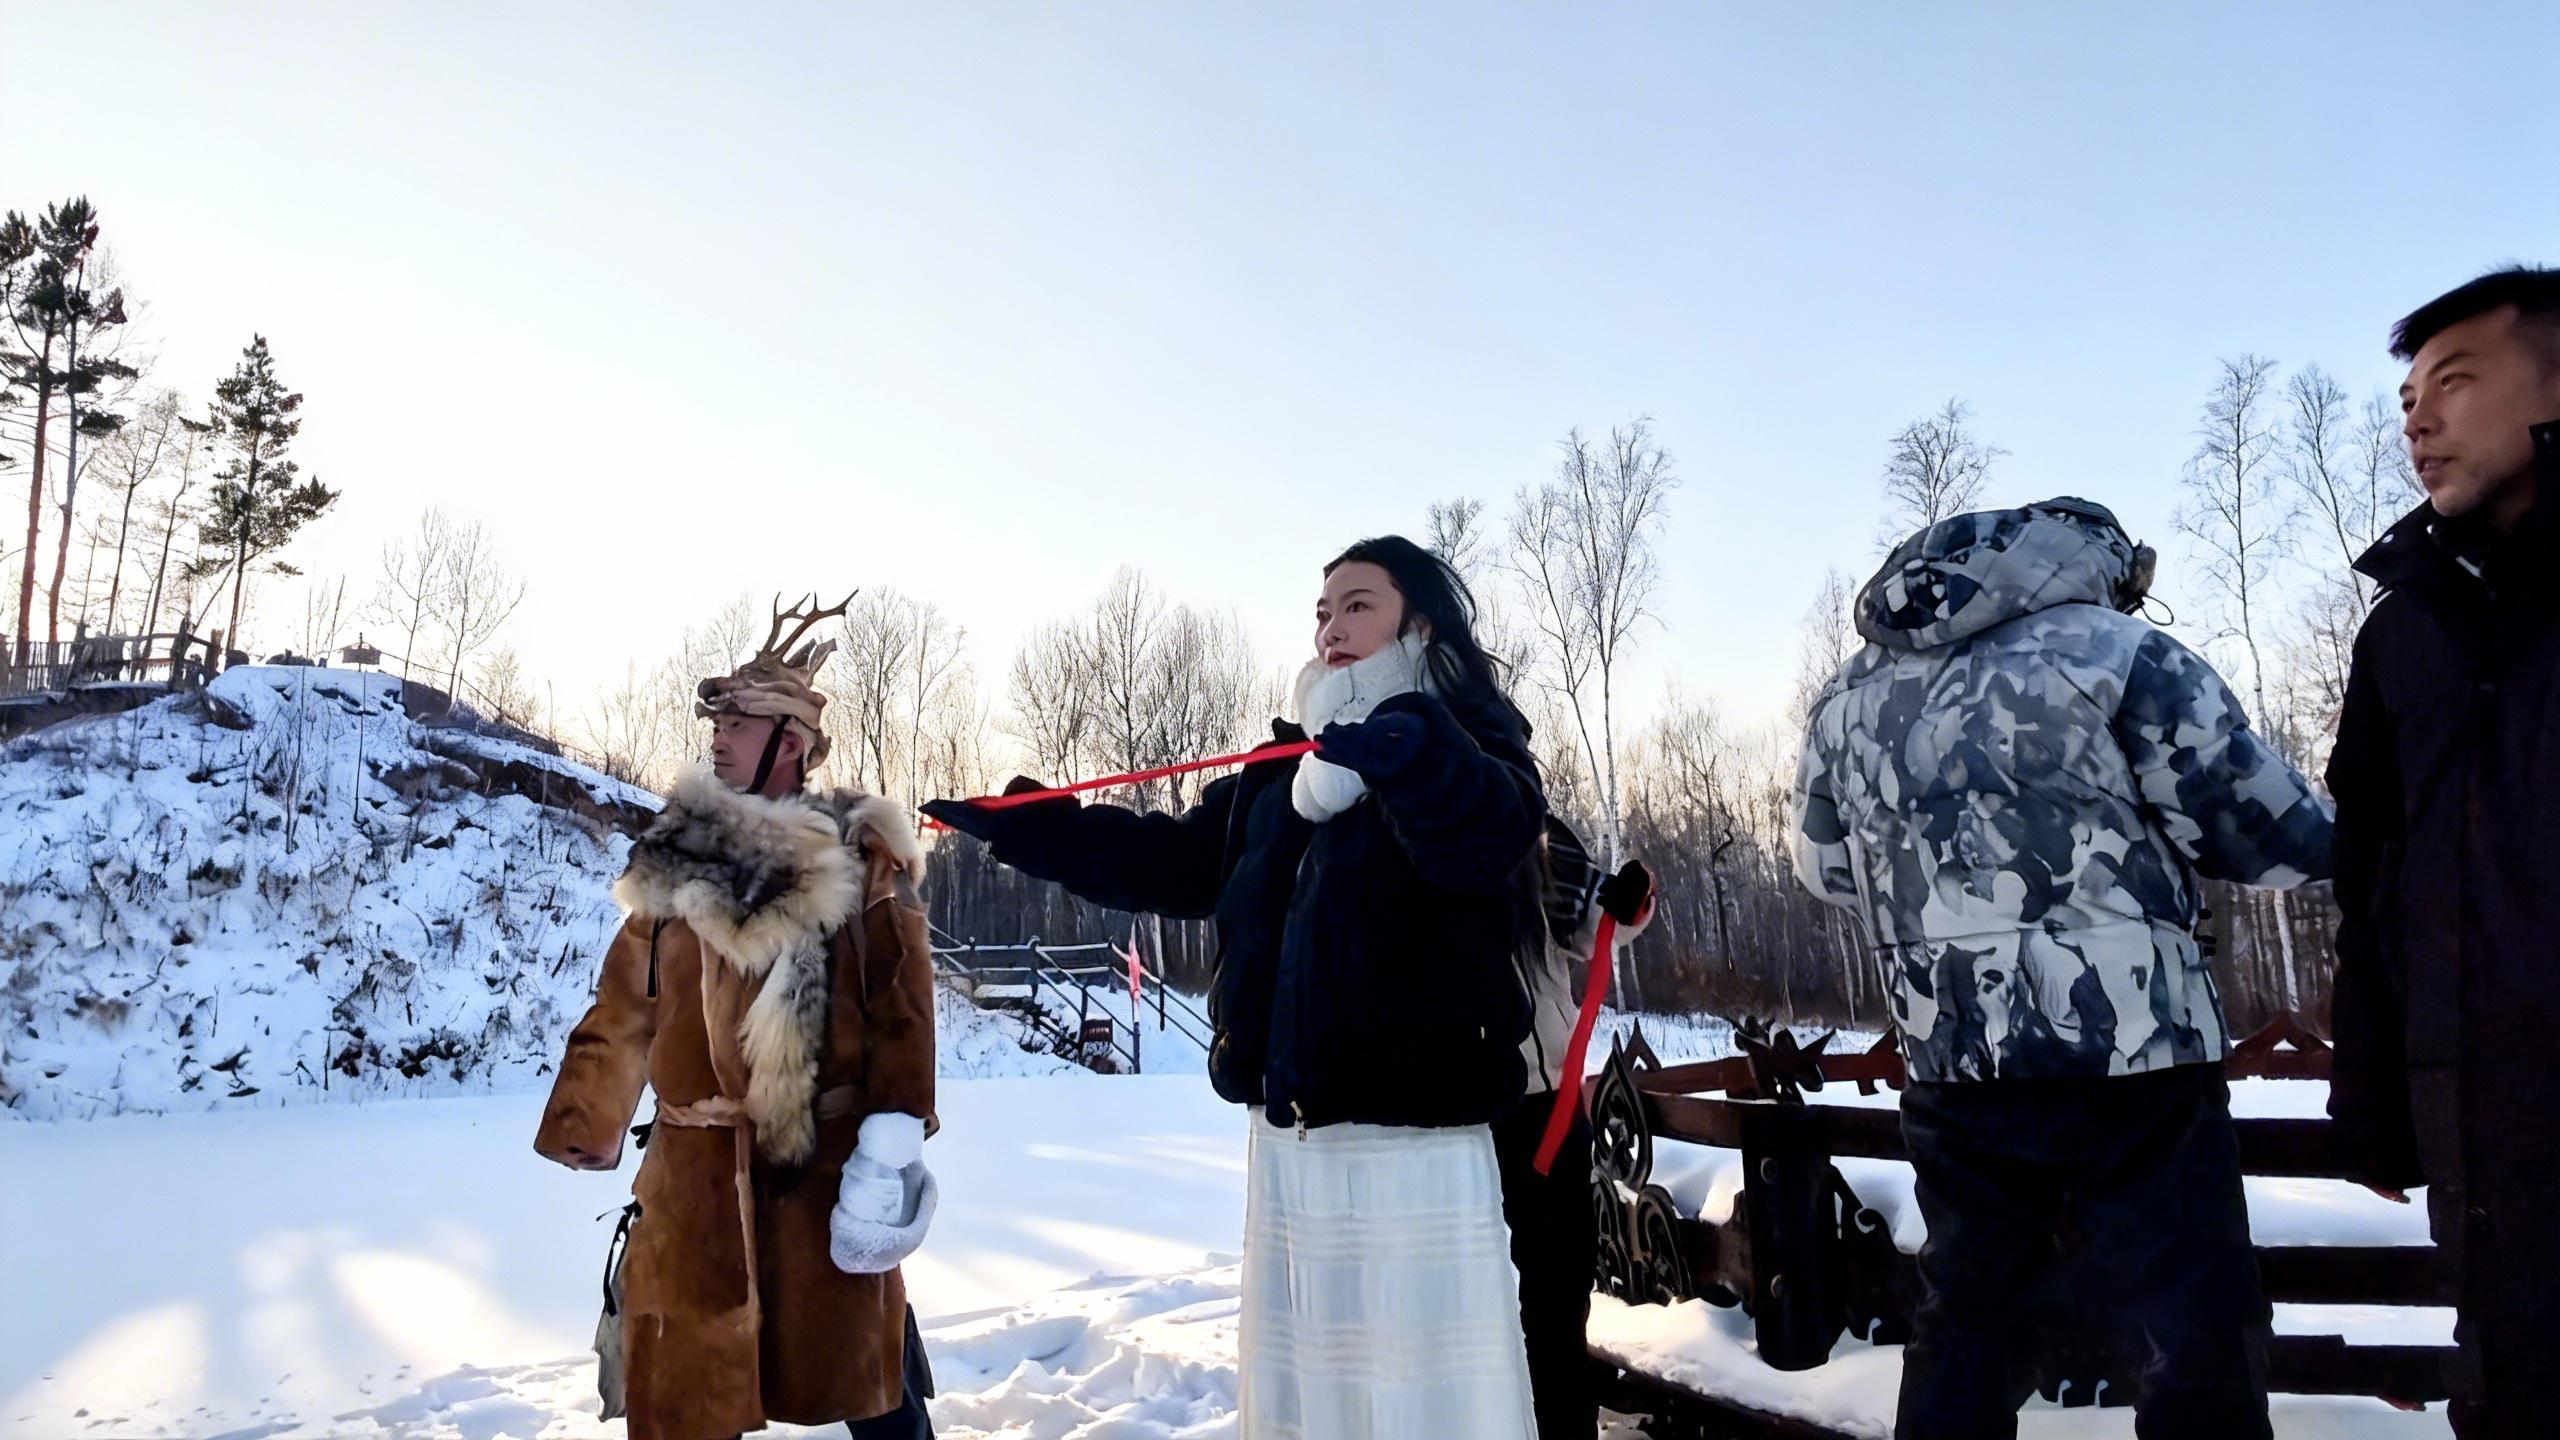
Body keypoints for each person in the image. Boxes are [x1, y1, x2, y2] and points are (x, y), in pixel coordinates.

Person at [924, 536, 1546, 1440]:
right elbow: (1172, 862)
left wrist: (1422, 756)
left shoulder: (1473, 741)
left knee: (1418, 1395)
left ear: (1418, 624)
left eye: (1358, 605)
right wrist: (1039, 833)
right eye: (1322, 612)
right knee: (1317, 1397)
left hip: (1411, 1151)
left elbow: (1484, 838)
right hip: (1292, 1142)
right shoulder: (1280, 771)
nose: (1331, 628)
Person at [1793, 498, 2333, 1440]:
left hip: (1953, 1055)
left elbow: (1825, 869)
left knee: (1968, 1317)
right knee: (2189, 1322)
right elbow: (2262, 828)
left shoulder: (1845, 698)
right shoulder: (2119, 652)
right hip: (2136, 1052)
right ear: (2098, 564)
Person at [535, 597, 940, 1440]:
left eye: (737, 724)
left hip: (820, 1170)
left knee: (864, 1379)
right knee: (691, 1389)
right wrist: (587, 1116)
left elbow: (903, 1008)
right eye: (716, 723)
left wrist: (893, 1138)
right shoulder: (678, 853)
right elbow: (628, 999)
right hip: (695, 1177)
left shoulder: (860, 856)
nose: (717, 738)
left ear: (789, 742)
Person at [2327, 266, 2560, 1438]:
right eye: (2407, 399)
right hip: (2490, 1153)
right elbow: (2372, 874)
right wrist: (2372, 1091)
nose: (2417, 421)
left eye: (2454, 382)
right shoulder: (2403, 631)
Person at [1496, 816, 1652, 1440]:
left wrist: (1626, 900)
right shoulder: (1400, 813)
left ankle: (1563, 1427)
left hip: (1549, 1105)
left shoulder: (1526, 825)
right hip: (1459, 1113)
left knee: (1560, 1284)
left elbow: (1593, 919)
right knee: (1483, 1295)